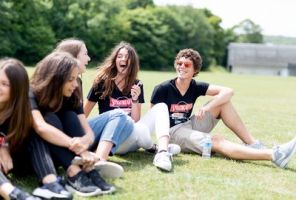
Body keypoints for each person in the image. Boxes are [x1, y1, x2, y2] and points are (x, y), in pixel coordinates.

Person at [150, 48, 296, 168]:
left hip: (188, 125)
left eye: (186, 65)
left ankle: (253, 144)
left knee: (223, 102)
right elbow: (153, 118)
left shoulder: (194, 86)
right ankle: (274, 155)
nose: (181, 67)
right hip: (172, 133)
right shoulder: (162, 89)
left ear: (195, 70)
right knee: (217, 141)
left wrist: (208, 107)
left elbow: (228, 91)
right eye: (179, 63)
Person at [29, 51, 129, 198]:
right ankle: (73, 171)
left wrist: (84, 146)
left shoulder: (70, 94)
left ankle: (88, 168)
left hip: (59, 153)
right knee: (50, 119)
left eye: (76, 78)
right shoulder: (31, 93)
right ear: (55, 80)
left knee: (69, 115)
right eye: (71, 79)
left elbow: (87, 132)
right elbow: (40, 127)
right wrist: (77, 146)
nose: (75, 84)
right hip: (34, 154)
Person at [84, 41, 180, 172]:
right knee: (141, 131)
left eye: (127, 57)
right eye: (120, 56)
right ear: (115, 60)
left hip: (133, 134)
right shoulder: (102, 83)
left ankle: (162, 152)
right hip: (115, 139)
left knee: (161, 107)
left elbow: (135, 120)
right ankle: (153, 147)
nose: (123, 59)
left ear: (132, 62)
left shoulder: (137, 84)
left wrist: (135, 99)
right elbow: (84, 114)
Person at [54, 38, 133, 178]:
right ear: (73, 57)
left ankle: (97, 160)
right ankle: (98, 160)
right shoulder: (56, 82)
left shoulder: (77, 81)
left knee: (126, 121)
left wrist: (87, 137)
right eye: (85, 54)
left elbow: (80, 115)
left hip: (75, 134)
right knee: (120, 116)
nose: (89, 58)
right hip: (61, 137)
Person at [0, 58, 40, 200]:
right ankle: (14, 194)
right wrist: (2, 146)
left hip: (19, 161)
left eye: (4, 84)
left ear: (17, 89)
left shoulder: (23, 111)